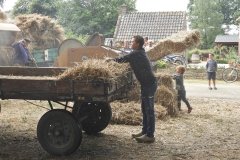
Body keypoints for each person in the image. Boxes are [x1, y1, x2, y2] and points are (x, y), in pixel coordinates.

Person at [107, 35, 157, 143]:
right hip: (145, 84)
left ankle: (150, 135)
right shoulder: (139, 52)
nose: (131, 43)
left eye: (132, 42)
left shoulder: (136, 53)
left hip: (149, 84)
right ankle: (144, 131)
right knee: (144, 109)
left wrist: (109, 61)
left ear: (138, 44)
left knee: (149, 110)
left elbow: (121, 59)